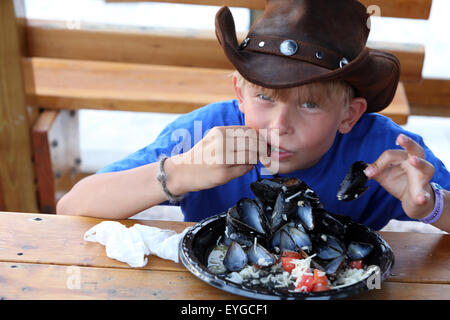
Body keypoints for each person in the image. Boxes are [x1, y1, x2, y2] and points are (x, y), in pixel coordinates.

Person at [57, 0, 449, 233]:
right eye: (264, 96)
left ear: (350, 114)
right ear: (239, 94)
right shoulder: (202, 134)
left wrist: (429, 205)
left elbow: (431, 203)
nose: (280, 125)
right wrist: (180, 172)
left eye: (309, 104)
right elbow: (72, 206)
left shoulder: (383, 150)